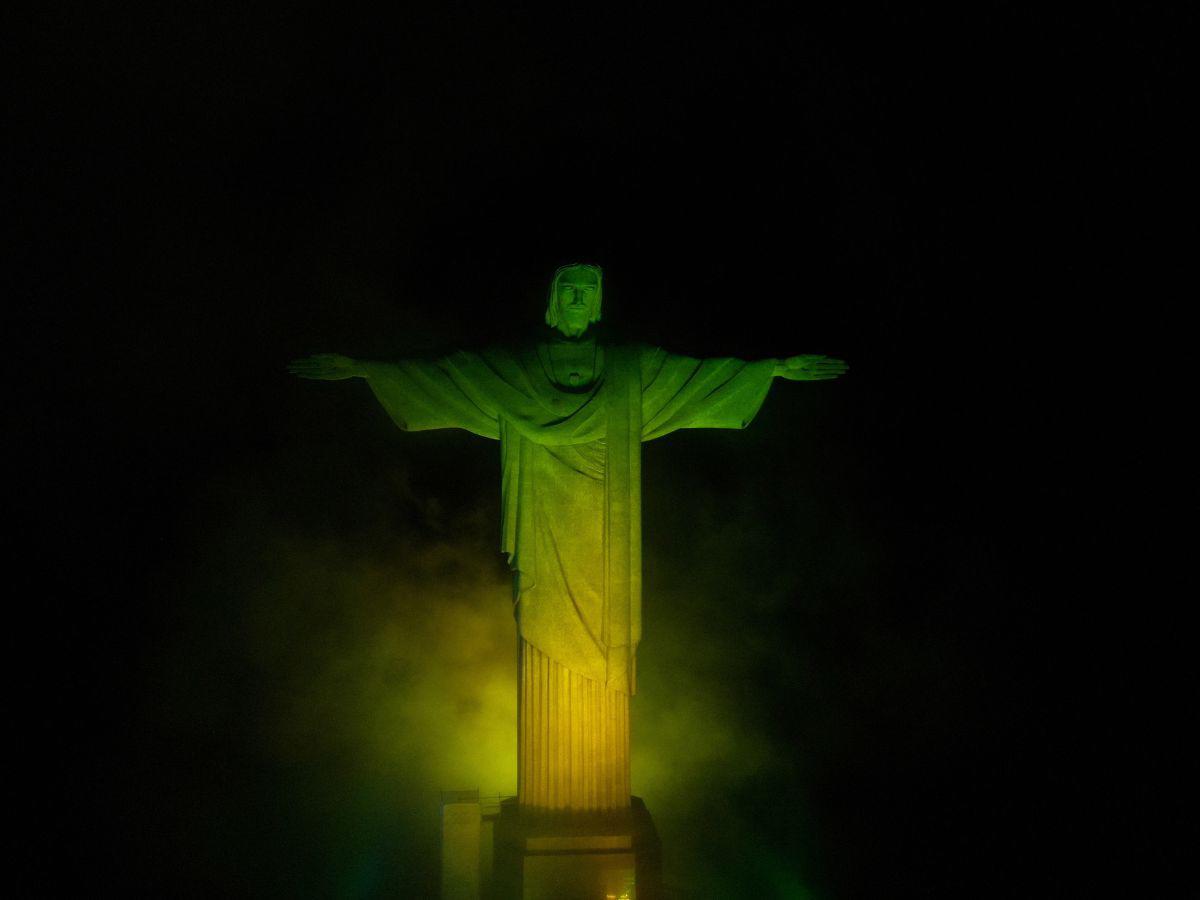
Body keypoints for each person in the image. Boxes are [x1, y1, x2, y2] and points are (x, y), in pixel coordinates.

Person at [289, 263, 848, 811]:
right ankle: (553, 800)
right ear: (553, 301)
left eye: (589, 290)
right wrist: (365, 369)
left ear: (599, 303)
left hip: (607, 535)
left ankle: (592, 800)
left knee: (602, 644)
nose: (579, 299)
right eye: (570, 290)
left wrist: (771, 369)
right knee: (543, 629)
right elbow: (450, 375)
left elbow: (699, 377)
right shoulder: (517, 371)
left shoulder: (631, 371)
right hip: (545, 528)